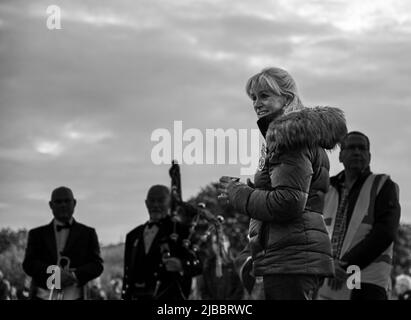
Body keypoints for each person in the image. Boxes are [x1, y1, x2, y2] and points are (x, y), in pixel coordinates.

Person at [219, 67, 347, 300]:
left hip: (289, 260)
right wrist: (255, 190)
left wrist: (238, 193)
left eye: (265, 95)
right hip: (294, 258)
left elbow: (288, 202)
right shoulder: (299, 136)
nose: (257, 103)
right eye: (254, 97)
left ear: (287, 98)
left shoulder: (289, 138)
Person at [318, 132, 401, 300]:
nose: (357, 152)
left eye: (362, 148)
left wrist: (346, 266)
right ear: (340, 156)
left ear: (369, 156)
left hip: (366, 282)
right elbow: (313, 232)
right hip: (328, 280)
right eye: (351, 147)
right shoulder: (327, 189)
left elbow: (385, 232)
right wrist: (327, 265)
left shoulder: (383, 185)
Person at [22, 186, 104, 300]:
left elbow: (97, 265)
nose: (63, 205)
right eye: (58, 201)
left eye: (67, 201)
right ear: (51, 205)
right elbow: (28, 264)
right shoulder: (36, 234)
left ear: (74, 203)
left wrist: (74, 276)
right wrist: (54, 274)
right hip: (43, 297)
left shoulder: (88, 233)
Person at [122, 185, 202, 300]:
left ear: (170, 203)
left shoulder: (181, 231)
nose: (155, 205)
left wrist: (181, 265)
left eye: (160, 200)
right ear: (146, 203)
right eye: (152, 200)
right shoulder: (133, 235)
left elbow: (199, 265)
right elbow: (127, 276)